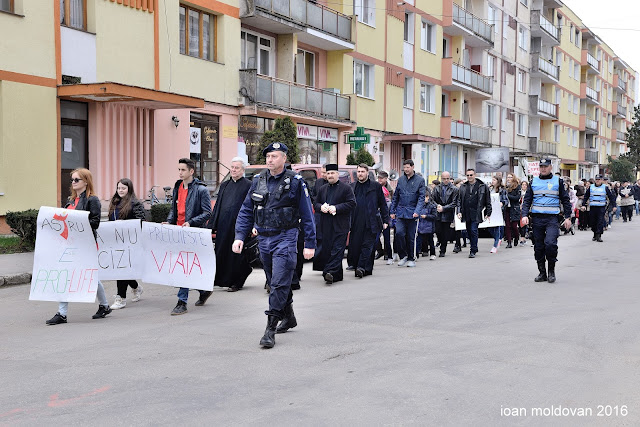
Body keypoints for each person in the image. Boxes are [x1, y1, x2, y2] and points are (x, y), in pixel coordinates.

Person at [233, 143, 316, 348]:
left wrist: (310, 243)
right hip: (264, 238)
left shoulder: (295, 182)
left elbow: (307, 214)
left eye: (275, 156)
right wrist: (239, 236)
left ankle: (270, 330)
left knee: (277, 283)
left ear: (284, 159)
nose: (270, 160)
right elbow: (246, 210)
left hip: (285, 237)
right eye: (268, 156)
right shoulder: (258, 180)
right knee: (275, 280)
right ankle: (289, 317)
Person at [46, 168, 112, 325]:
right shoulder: (71, 200)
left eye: (77, 179)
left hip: (85, 245)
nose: (73, 182)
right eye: (72, 180)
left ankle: (104, 305)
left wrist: (77, 222)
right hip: (70, 244)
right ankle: (62, 313)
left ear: (86, 182)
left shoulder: (92, 200)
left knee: (90, 277)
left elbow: (95, 222)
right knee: (65, 275)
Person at [165, 158, 212, 315]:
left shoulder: (201, 190)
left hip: (192, 234)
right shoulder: (177, 186)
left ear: (191, 171)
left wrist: (191, 223)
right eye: (178, 169)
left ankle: (182, 302)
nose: (180, 172)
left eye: (183, 170)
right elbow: (174, 209)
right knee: (185, 267)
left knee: (183, 267)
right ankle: (203, 290)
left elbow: (208, 213)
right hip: (178, 233)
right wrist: (169, 221)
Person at [521, 158, 572, 283]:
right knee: (538, 247)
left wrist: (568, 217)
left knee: (550, 244)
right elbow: (527, 200)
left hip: (552, 219)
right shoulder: (533, 181)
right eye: (541, 166)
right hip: (537, 219)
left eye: (545, 166)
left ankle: (551, 271)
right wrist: (524, 215)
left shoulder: (558, 181)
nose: (543, 169)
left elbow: (565, 200)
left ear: (550, 167)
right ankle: (542, 272)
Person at [208, 157, 252, 292]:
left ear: (243, 170)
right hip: (223, 225)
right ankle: (222, 280)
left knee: (236, 255)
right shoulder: (224, 185)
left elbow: (251, 207)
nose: (233, 170)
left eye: (236, 168)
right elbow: (218, 206)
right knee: (221, 252)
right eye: (232, 167)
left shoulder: (248, 185)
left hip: (238, 227)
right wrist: (212, 225)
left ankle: (236, 282)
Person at [312, 164, 356, 284]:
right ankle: (337, 275)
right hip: (326, 225)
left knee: (337, 250)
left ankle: (329, 272)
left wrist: (336, 208)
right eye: (328, 173)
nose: (330, 176)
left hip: (341, 225)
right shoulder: (323, 189)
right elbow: (316, 203)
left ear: (337, 174)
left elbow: (352, 203)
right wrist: (321, 207)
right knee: (327, 250)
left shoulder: (346, 188)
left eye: (332, 173)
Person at [107, 178, 146, 310]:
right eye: (119, 188)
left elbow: (141, 221)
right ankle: (136, 287)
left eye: (123, 188)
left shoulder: (135, 203)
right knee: (123, 269)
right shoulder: (114, 202)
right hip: (116, 241)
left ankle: (121, 298)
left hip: (130, 242)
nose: (120, 190)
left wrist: (124, 225)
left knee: (122, 269)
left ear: (129, 189)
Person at [348, 164, 389, 278]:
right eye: (358, 172)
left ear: (367, 173)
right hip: (356, 222)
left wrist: (386, 220)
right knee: (356, 246)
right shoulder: (352, 187)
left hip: (371, 221)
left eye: (362, 171)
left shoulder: (375, 186)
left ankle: (362, 268)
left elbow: (383, 204)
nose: (360, 174)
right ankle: (361, 268)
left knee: (368, 246)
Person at [389, 159, 426, 267]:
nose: (406, 169)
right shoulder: (401, 180)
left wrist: (417, 211)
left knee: (411, 237)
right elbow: (396, 196)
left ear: (412, 167)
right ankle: (403, 256)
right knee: (399, 233)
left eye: (408, 167)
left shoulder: (420, 180)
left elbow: (421, 197)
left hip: (413, 212)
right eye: (404, 167)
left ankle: (411, 258)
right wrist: (392, 210)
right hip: (401, 212)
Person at [457, 168, 491, 258]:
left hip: (477, 212)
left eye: (471, 175)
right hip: (466, 212)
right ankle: (474, 246)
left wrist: (488, 212)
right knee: (468, 231)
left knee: (473, 230)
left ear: (475, 175)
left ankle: (473, 250)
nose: (469, 177)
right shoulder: (463, 186)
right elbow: (459, 200)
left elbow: (487, 200)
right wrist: (459, 211)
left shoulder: (482, 186)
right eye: (468, 175)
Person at [581, 174, 617, 242]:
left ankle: (599, 235)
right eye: (596, 179)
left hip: (601, 207)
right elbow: (586, 196)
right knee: (592, 222)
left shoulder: (605, 187)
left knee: (600, 221)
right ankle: (595, 233)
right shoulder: (591, 187)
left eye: (599, 179)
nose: (597, 181)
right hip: (593, 207)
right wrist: (583, 205)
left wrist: (614, 206)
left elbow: (611, 197)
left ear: (602, 180)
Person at [431, 171, 459, 257]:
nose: (446, 180)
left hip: (448, 213)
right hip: (438, 212)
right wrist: (438, 206)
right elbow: (432, 199)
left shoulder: (454, 189)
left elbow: (454, 202)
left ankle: (443, 250)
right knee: (438, 231)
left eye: (447, 178)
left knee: (445, 232)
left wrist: (444, 208)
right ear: (441, 178)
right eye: (444, 179)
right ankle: (440, 242)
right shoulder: (437, 188)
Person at [375, 171, 394, 264]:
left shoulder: (389, 190)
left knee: (387, 238)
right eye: (378, 178)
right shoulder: (375, 186)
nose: (379, 180)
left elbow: (392, 203)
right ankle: (380, 251)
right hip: (376, 218)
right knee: (375, 238)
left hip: (386, 218)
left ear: (386, 179)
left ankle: (388, 255)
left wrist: (389, 218)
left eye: (381, 178)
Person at [488, 175, 508, 253]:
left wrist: (502, 203)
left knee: (497, 227)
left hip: (498, 210)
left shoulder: (502, 190)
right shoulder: (490, 189)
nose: (492, 181)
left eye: (494, 180)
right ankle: (498, 238)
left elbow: (506, 200)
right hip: (490, 210)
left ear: (498, 181)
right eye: (492, 180)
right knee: (490, 227)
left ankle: (495, 245)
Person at [418, 191, 437, 260]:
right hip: (420, 226)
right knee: (418, 241)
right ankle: (416, 255)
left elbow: (434, 216)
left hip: (429, 227)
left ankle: (433, 254)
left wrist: (426, 216)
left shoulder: (432, 206)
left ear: (428, 197)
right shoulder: (419, 206)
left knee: (430, 241)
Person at [504, 173, 521, 248]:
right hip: (507, 208)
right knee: (507, 226)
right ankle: (509, 242)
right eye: (508, 177)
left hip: (514, 208)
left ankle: (516, 237)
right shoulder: (505, 187)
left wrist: (508, 196)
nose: (508, 179)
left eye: (510, 177)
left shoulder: (517, 187)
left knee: (514, 226)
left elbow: (517, 198)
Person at [519, 180, 530, 244]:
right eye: (523, 185)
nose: (524, 186)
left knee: (524, 223)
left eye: (525, 185)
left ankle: (523, 237)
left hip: (526, 210)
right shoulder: (519, 192)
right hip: (518, 209)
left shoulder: (528, 193)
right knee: (520, 224)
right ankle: (522, 236)